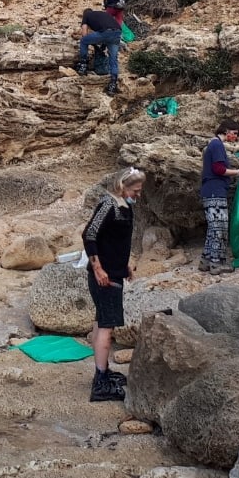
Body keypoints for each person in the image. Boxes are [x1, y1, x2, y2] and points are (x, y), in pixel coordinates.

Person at [81, 166, 144, 402]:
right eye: (135, 190)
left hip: (114, 273)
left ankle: (103, 371)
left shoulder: (124, 207)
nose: (138, 195)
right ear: (123, 187)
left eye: (139, 191)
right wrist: (98, 268)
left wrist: (124, 264)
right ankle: (100, 382)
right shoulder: (109, 205)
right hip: (104, 277)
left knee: (101, 322)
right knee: (106, 328)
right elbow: (89, 235)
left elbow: (116, 241)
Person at [199, 120, 239, 273]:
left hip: (209, 190)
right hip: (215, 191)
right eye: (234, 133)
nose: (235, 137)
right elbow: (219, 169)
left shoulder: (211, 144)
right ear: (226, 131)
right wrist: (237, 172)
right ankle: (216, 263)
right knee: (219, 227)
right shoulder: (217, 145)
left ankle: (205, 261)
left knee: (213, 228)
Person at [76, 8, 121, 96]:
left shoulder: (86, 15)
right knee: (113, 59)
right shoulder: (102, 14)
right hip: (117, 32)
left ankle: (83, 65)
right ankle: (113, 84)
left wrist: (89, 41)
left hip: (105, 32)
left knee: (83, 41)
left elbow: (84, 34)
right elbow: (105, 35)